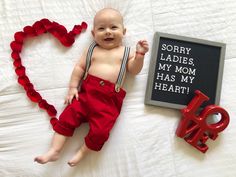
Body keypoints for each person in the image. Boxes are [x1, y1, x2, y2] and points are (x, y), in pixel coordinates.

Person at [34, 7, 149, 167]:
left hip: (108, 102)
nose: (108, 32)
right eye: (101, 28)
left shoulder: (126, 52)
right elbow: (79, 68)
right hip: (85, 95)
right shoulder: (91, 49)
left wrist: (140, 55)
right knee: (67, 118)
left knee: (101, 131)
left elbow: (134, 71)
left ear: (123, 31)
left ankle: (82, 152)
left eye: (113, 27)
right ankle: (54, 150)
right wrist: (73, 88)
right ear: (94, 34)